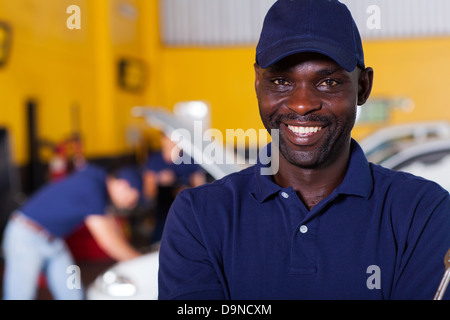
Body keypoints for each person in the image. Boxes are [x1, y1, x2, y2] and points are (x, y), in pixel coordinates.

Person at [158, 0, 450, 300]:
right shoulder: (200, 216)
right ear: (258, 84)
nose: (301, 103)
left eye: (328, 82)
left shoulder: (422, 211)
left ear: (363, 87)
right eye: (281, 81)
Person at [2, 162, 143, 300]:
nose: (131, 205)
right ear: (124, 185)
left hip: (54, 241)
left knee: (73, 293)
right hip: (26, 237)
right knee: (19, 296)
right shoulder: (92, 188)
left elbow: (112, 228)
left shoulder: (98, 180)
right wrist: (143, 264)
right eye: (132, 199)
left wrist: (135, 256)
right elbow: (109, 242)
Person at [143, 134, 206, 243]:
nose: (173, 142)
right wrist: (159, 181)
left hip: (185, 213)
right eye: (170, 138)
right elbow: (148, 194)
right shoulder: (154, 161)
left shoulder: (190, 160)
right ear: (163, 139)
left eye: (177, 139)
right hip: (162, 214)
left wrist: (185, 190)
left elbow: (202, 191)